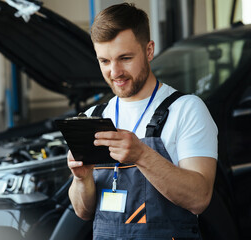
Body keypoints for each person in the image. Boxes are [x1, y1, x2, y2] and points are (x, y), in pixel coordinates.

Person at [67, 3, 217, 239]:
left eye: (124, 58)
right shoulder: (92, 117)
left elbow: (199, 199)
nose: (115, 72)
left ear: (149, 50)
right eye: (104, 61)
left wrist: (141, 154)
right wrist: (81, 178)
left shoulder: (187, 110)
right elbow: (83, 212)